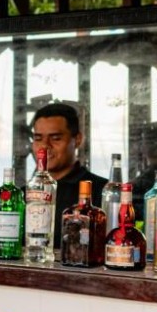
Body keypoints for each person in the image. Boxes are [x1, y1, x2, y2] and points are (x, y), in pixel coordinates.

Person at [30, 103, 108, 249]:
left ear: (77, 140)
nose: (45, 146)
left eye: (55, 138)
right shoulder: (25, 193)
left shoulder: (102, 191)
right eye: (38, 139)